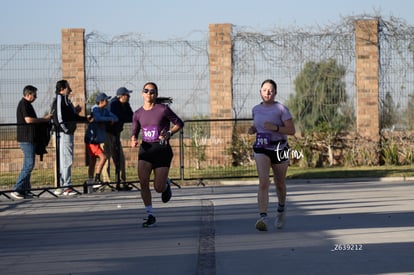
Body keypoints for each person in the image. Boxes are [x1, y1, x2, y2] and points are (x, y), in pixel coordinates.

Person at [130, 82, 184, 227]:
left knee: (158, 188)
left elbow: (179, 123)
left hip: (161, 150)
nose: (149, 93)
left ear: (156, 94)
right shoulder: (137, 113)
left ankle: (165, 185)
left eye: (152, 91)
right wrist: (134, 139)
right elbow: (134, 131)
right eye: (146, 91)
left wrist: (169, 133)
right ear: (142, 94)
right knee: (143, 182)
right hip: (146, 150)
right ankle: (150, 214)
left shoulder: (163, 109)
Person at [248, 79, 296, 231]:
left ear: (275, 92)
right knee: (263, 182)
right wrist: (253, 129)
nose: (267, 93)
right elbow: (258, 125)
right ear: (260, 92)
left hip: (280, 148)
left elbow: (291, 130)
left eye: (270, 90)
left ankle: (281, 211)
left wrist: (275, 127)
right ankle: (263, 217)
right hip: (262, 148)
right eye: (264, 90)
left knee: (280, 184)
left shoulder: (281, 109)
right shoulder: (255, 109)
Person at [11, 85, 53, 200]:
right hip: (26, 139)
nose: (36, 97)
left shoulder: (27, 104)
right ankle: (17, 188)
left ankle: (25, 190)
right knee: (29, 164)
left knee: (28, 164)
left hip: (30, 138)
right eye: (34, 95)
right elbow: (28, 120)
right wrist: (44, 119)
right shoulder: (24, 104)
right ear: (28, 94)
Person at [52, 80, 90, 196]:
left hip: (67, 133)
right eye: (68, 87)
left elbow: (72, 117)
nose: (71, 90)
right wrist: (66, 129)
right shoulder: (60, 99)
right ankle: (66, 186)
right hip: (64, 134)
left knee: (64, 159)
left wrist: (85, 119)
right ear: (62, 89)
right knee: (66, 159)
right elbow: (58, 117)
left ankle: (62, 185)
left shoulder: (66, 101)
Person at [85, 93, 118, 189]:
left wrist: (110, 118)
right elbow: (98, 118)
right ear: (101, 101)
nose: (107, 102)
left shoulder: (105, 110)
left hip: (96, 140)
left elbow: (115, 118)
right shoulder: (95, 109)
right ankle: (97, 178)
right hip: (91, 139)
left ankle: (90, 181)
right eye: (106, 100)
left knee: (92, 161)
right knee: (103, 157)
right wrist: (109, 119)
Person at [105, 87, 134, 191]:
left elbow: (131, 117)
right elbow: (116, 116)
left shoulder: (125, 105)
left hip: (117, 133)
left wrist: (121, 117)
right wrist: (121, 117)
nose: (129, 97)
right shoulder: (113, 104)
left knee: (120, 158)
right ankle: (107, 183)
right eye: (127, 95)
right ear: (121, 96)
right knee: (106, 158)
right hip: (107, 133)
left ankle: (122, 182)